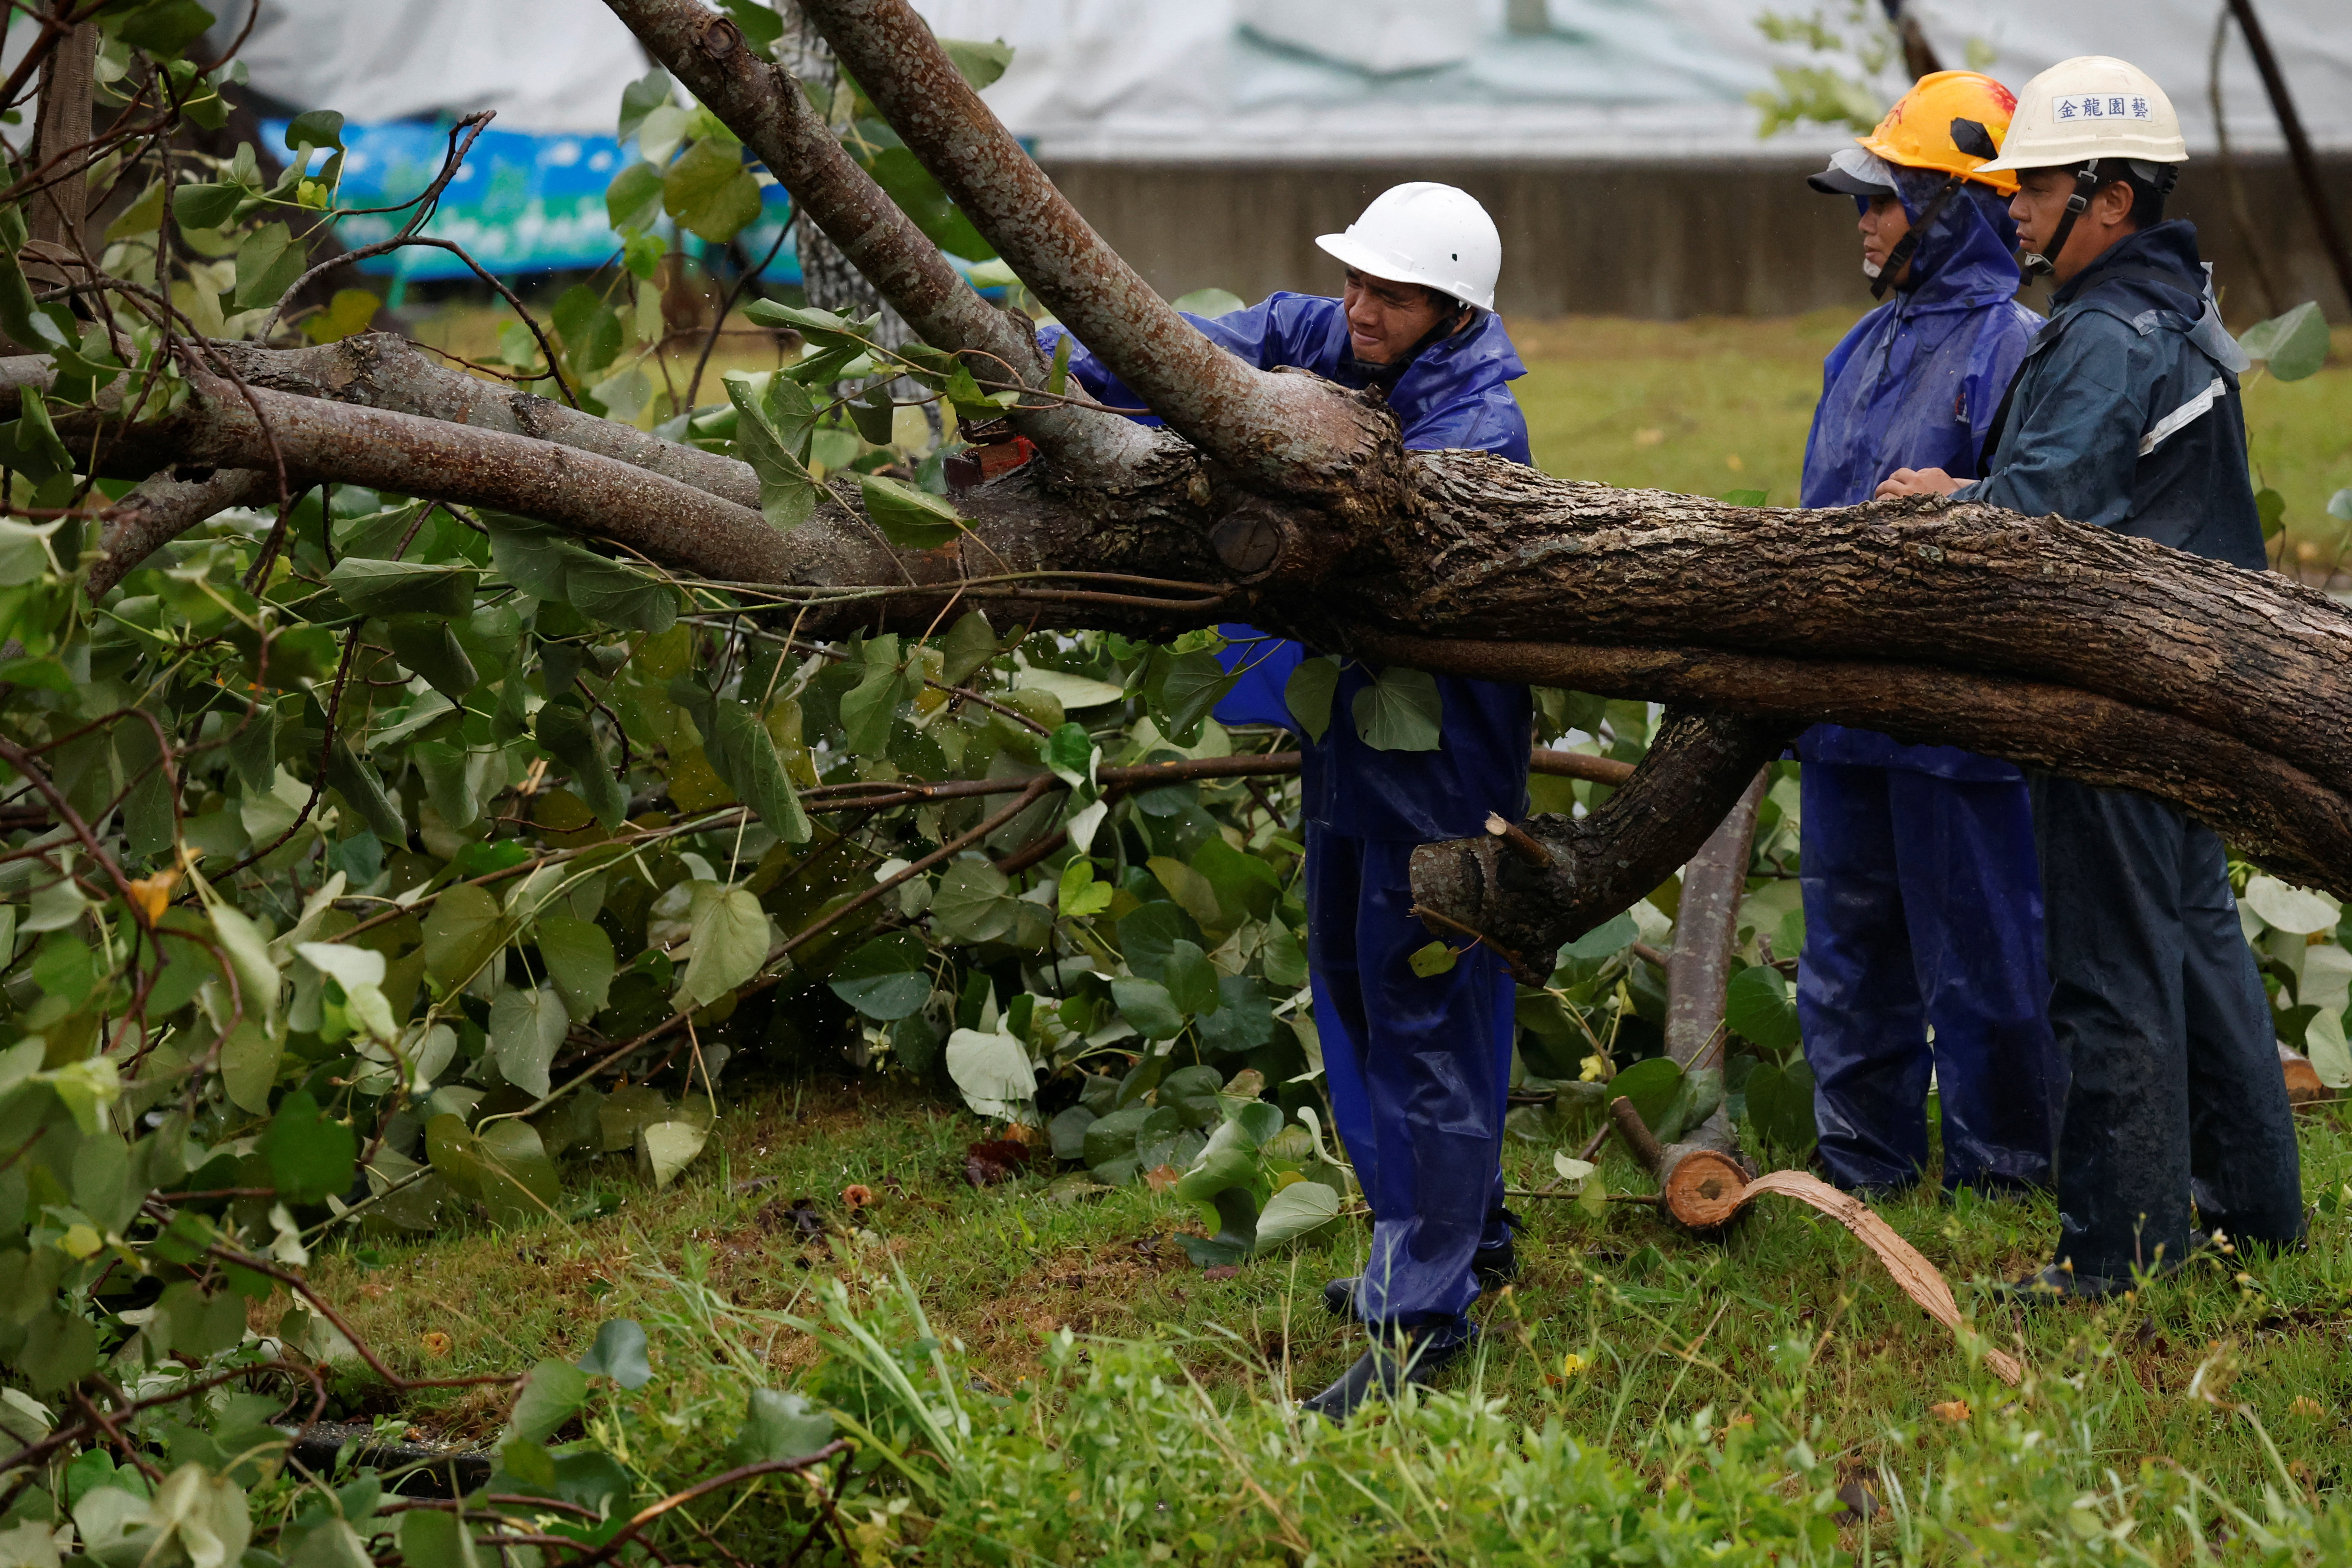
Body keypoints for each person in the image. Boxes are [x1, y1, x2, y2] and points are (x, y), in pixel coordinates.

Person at [1043, 184, 1534, 1413]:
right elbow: (1222, 339)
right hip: (1352, 751)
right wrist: (1050, 351)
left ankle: (1423, 1315)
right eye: (1359, 283)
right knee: (1354, 991)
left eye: (1392, 295)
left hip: (1442, 769)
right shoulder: (1350, 338)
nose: (1360, 309)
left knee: (1429, 1012)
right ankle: (1437, 1239)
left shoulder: (1478, 430)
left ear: (1452, 310)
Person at [1876, 56, 2304, 1294]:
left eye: (2039, 185)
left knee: (2110, 970)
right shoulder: (2180, 314)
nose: (2013, 208)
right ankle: (2253, 1210)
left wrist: (1942, 517)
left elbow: (2035, 529)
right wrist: (1981, 486)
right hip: (2201, 686)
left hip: (2116, 694)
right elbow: (2106, 490)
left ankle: (2116, 1255)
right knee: (2198, 941)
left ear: (2109, 198)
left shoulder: (2104, 334)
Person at [1792, 72, 2066, 1199]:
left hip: (1964, 731)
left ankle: (2008, 1173)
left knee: (1988, 958)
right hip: (1847, 719)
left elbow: (2054, 519)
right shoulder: (1853, 352)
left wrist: (1960, 494)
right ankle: (1864, 1165)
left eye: (1883, 198)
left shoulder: (2020, 349)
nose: (1862, 220)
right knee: (1847, 955)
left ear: (1952, 204)